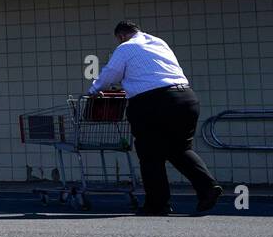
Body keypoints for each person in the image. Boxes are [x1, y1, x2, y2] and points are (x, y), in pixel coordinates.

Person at [88, 21, 223, 216]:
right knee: (180, 149)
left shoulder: (125, 48)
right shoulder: (159, 42)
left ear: (121, 36)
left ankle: (157, 204)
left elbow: (110, 74)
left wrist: (93, 90)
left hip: (153, 103)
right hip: (185, 98)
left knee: (150, 154)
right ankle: (208, 187)